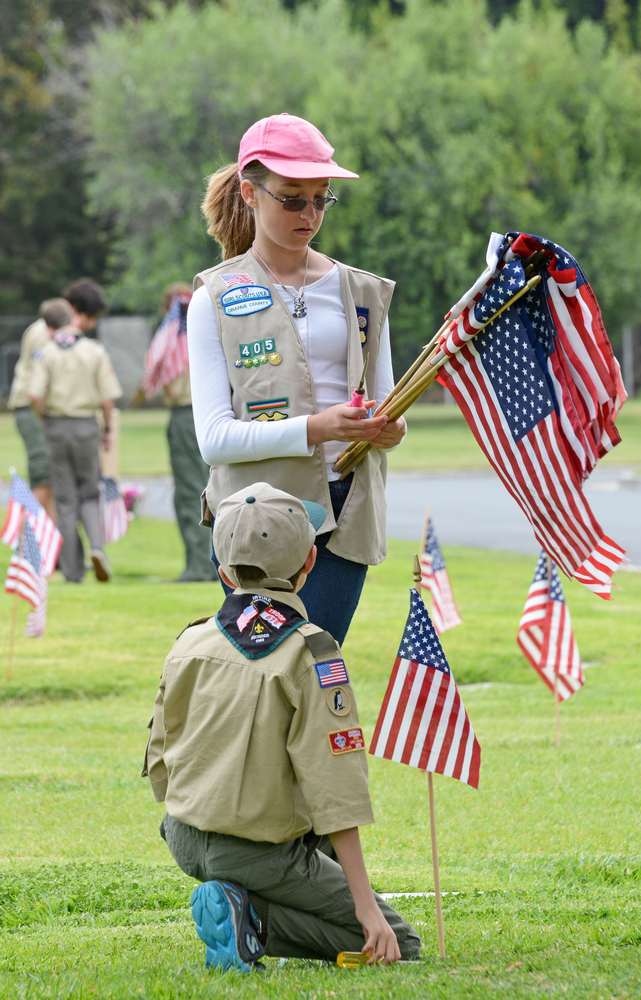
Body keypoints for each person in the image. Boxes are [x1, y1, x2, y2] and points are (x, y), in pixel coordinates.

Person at [143, 481, 421, 970]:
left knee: (296, 855)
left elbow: (159, 755)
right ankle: (247, 915)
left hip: (184, 835)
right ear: (310, 563)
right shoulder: (311, 651)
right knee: (398, 942)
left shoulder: (190, 639)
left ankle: (237, 899)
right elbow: (336, 788)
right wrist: (366, 907)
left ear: (225, 570)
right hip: (254, 852)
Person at [187, 113, 407, 645]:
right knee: (264, 678)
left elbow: (386, 410)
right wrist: (320, 428)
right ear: (250, 192)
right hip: (253, 519)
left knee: (316, 672)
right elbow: (214, 441)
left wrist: (389, 432)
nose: (309, 214)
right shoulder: (212, 297)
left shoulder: (362, 293)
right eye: (292, 198)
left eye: (321, 198)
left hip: (345, 511)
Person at [29, 315, 122, 583]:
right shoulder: (93, 350)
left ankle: (72, 571)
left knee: (65, 500)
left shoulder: (46, 352)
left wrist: (45, 416)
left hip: (57, 425)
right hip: (85, 425)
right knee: (89, 494)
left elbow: (34, 394)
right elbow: (107, 399)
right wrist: (106, 429)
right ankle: (96, 547)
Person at [135, 283, 217, 582]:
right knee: (216, 487)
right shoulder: (209, 329)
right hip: (216, 415)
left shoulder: (173, 335)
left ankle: (199, 566)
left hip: (186, 416)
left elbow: (157, 372)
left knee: (189, 492)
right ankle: (218, 562)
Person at [7, 298, 73, 523]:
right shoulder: (42, 332)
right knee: (42, 474)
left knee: (52, 479)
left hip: (39, 407)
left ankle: (53, 551)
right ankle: (26, 543)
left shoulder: (50, 329)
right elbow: (40, 382)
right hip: (32, 407)